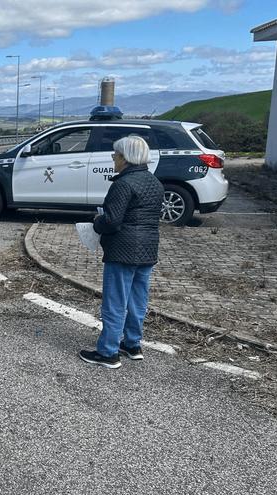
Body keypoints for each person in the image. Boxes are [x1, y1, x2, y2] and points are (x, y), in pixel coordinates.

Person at [79, 135, 164, 369]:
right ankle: (133, 344)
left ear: (125, 158)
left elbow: (112, 221)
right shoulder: (154, 182)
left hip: (122, 250)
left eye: (115, 155)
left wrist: (97, 222)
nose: (113, 159)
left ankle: (108, 352)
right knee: (138, 300)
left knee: (115, 302)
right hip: (148, 249)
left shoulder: (123, 184)